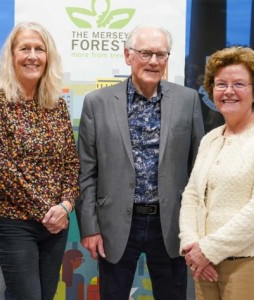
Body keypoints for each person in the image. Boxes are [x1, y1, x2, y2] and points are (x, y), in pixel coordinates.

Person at [76, 24, 205, 300]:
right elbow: (86, 172)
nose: (154, 62)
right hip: (116, 223)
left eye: (161, 54)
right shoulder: (96, 103)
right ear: (127, 56)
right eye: (145, 53)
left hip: (171, 224)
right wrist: (90, 227)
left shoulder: (188, 100)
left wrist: (197, 227)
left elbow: (198, 169)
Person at [179, 46, 254, 299]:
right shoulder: (211, 139)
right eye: (221, 84)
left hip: (251, 265)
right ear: (211, 90)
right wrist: (191, 245)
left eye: (239, 84)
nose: (229, 91)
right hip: (204, 265)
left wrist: (207, 250)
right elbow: (192, 196)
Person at [0, 22, 80, 300]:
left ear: (48, 57)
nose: (32, 56)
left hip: (57, 223)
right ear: (12, 56)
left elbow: (71, 164)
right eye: (25, 48)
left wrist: (66, 205)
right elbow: (2, 170)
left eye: (39, 49)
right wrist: (48, 212)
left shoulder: (57, 105)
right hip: (16, 223)